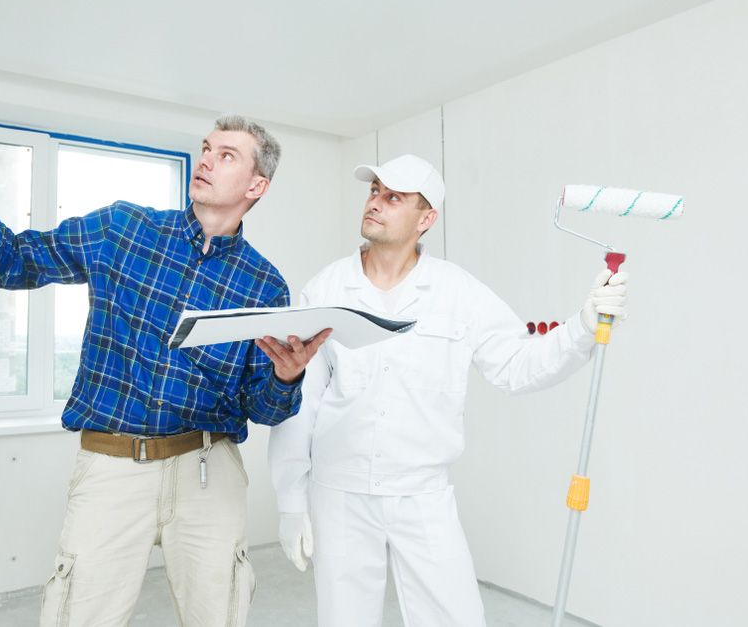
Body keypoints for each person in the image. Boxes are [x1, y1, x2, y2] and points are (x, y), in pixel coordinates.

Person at [0, 90, 329, 627]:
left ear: (257, 185)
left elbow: (265, 409)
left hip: (209, 475)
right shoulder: (123, 230)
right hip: (112, 468)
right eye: (206, 148)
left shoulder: (264, 284)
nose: (206, 158)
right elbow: (9, 261)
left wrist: (285, 376)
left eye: (226, 155)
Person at [268, 154, 628, 626]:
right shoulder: (325, 288)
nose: (375, 202)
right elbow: (301, 404)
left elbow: (517, 365)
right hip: (340, 492)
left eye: (393, 197)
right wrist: (291, 500)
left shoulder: (459, 293)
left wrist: (582, 326)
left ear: (426, 218)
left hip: (422, 493)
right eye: (374, 191)